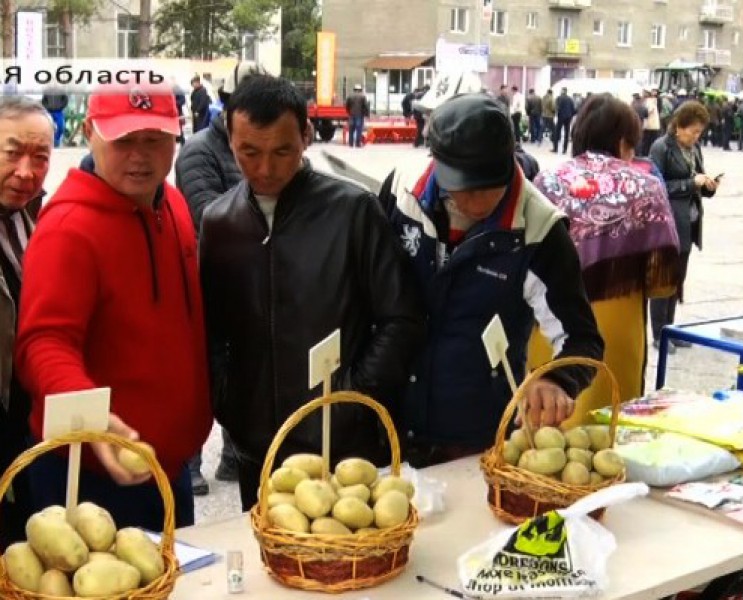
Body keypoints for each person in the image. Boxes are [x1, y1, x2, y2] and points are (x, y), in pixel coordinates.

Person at [199, 75, 425, 511]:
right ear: (229, 140)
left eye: (282, 151)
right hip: (259, 447)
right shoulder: (219, 221)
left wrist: (349, 399)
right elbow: (213, 331)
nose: (265, 169)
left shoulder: (353, 210)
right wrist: (230, 404)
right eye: (250, 152)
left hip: (345, 444)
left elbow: (401, 319)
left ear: (305, 136)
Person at [16, 81, 211, 530]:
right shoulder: (69, 227)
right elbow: (43, 343)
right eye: (123, 140)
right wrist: (94, 417)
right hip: (90, 476)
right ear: (90, 132)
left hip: (166, 467)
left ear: (176, 135)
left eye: (153, 140)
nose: (139, 157)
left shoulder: (173, 203)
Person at [377, 93, 604, 466]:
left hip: (479, 436)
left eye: (489, 185)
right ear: (437, 164)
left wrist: (557, 380)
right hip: (391, 420)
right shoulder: (402, 192)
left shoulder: (539, 231)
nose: (477, 201)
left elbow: (582, 339)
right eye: (465, 188)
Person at [531, 94, 679, 423]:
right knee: (609, 421)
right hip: (618, 320)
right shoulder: (646, 186)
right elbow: (661, 281)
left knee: (551, 421)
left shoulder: (548, 180)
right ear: (623, 140)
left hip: (553, 317)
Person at [174, 61, 265, 494]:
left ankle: (233, 455)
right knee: (203, 371)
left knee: (246, 366)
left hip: (253, 280)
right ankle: (190, 461)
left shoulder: (255, 147)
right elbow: (205, 214)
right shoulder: (198, 151)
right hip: (208, 281)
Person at [0, 97, 53, 549]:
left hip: (21, 419)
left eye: (40, 157)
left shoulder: (35, 216)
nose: (26, 170)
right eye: (12, 152)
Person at [649, 101, 720, 351]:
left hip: (688, 223)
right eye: (693, 131)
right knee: (663, 280)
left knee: (678, 280)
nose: (696, 136)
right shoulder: (661, 147)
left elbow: (698, 179)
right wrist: (691, 184)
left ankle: (671, 328)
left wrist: (709, 186)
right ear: (679, 127)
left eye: (700, 132)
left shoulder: (695, 149)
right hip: (667, 224)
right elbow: (656, 187)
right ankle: (659, 333)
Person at [345, 84, 370, 148]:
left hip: (351, 115)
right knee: (359, 130)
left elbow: (346, 105)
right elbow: (366, 106)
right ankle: (357, 144)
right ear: (360, 90)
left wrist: (349, 112)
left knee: (351, 130)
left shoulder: (350, 96)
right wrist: (367, 114)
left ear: (354, 89)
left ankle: (350, 144)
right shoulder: (363, 96)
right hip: (360, 115)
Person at [553, 87, 575, 154]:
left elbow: (556, 108)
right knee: (567, 133)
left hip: (561, 117)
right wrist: (571, 115)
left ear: (562, 91)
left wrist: (556, 114)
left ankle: (555, 148)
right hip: (568, 117)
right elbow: (573, 109)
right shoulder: (570, 99)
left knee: (557, 132)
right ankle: (564, 150)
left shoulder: (559, 98)